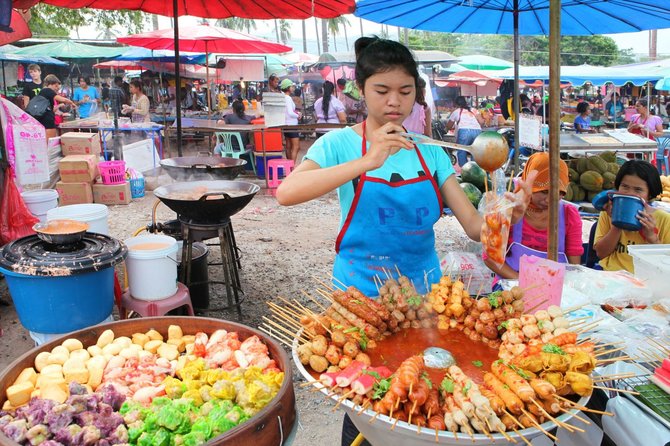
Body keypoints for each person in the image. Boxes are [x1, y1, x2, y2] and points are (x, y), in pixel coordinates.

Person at [275, 37, 535, 445]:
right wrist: (367, 161)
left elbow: (472, 227)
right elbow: (286, 193)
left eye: (405, 91)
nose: (394, 102)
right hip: (360, 296)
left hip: (425, 297)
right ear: (362, 90)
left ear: (417, 92)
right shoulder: (340, 144)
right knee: (365, 395)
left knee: (424, 393)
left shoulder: (431, 152)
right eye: (382, 91)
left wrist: (505, 215)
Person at [484, 153, 583, 282]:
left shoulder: (569, 215)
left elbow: (574, 267)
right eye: (544, 191)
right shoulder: (509, 210)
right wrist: (522, 283)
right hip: (512, 284)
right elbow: (490, 258)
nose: (548, 200)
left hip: (554, 287)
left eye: (557, 193)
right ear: (530, 184)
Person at [594, 160, 670, 273]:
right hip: (613, 276)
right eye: (624, 186)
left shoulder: (664, 220)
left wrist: (651, 237)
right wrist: (617, 223)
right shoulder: (607, 214)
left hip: (647, 280)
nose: (630, 193)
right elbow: (601, 254)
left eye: (638, 190)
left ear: (649, 193)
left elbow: (665, 264)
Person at [32, 74, 76, 139]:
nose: (56, 90)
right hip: (47, 121)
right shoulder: (47, 90)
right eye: (56, 87)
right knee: (50, 141)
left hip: (45, 119)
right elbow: (62, 99)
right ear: (52, 84)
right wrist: (72, 103)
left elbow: (52, 109)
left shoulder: (43, 93)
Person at [446, 96, 484, 166]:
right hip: (477, 131)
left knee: (462, 151)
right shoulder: (474, 110)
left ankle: (464, 170)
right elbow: (481, 122)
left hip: (464, 132)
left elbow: (449, 126)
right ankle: (474, 169)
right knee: (475, 151)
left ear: (456, 104)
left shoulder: (456, 112)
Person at [280, 78, 301, 162]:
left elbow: (288, 111)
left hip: (285, 124)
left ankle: (289, 166)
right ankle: (292, 166)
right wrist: (298, 115)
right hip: (292, 125)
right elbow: (290, 112)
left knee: (288, 146)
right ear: (288, 87)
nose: (293, 88)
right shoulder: (288, 98)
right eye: (292, 86)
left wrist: (296, 113)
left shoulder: (283, 97)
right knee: (296, 146)